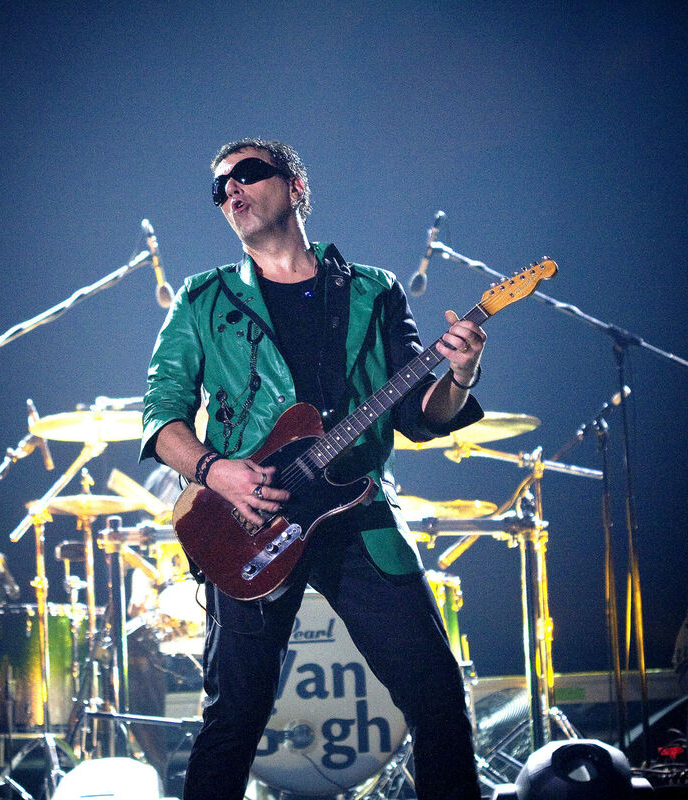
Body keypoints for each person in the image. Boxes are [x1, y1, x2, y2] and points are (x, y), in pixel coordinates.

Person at [139, 138, 485, 799]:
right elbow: (160, 418)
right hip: (249, 519)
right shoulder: (203, 298)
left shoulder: (373, 291)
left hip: (357, 516)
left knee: (439, 698)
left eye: (247, 174)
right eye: (219, 187)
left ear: (296, 186)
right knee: (233, 719)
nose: (231, 191)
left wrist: (462, 374)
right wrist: (218, 471)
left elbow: (419, 414)